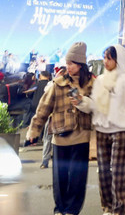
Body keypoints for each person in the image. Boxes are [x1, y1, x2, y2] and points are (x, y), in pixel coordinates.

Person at [26, 42, 93, 215]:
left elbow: (99, 107)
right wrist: (34, 130)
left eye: (72, 63)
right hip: (60, 137)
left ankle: (72, 210)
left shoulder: (91, 84)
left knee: (78, 179)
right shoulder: (58, 83)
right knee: (60, 178)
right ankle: (60, 209)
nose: (68, 67)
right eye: (67, 62)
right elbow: (43, 108)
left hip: (82, 136)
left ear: (80, 64)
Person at [75, 45, 125, 215]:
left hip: (119, 131)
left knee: (118, 172)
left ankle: (119, 210)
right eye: (104, 57)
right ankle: (107, 207)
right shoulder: (100, 80)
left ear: (118, 59)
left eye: (109, 58)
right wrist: (81, 102)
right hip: (101, 130)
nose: (106, 61)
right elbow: (95, 105)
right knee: (103, 172)